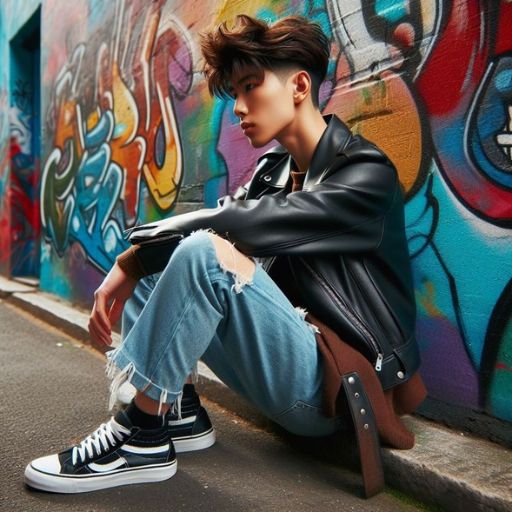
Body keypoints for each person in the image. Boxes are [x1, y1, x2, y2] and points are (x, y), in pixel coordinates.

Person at [25, 14, 426, 497]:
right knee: (165, 259)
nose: (238, 107)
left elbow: (237, 226)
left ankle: (142, 437)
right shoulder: (273, 171)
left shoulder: (365, 175)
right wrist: (140, 262)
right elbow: (223, 221)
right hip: (291, 352)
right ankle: (179, 412)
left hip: (335, 388)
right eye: (233, 93)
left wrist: (128, 261)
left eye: (250, 87)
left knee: (197, 252)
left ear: (299, 85)